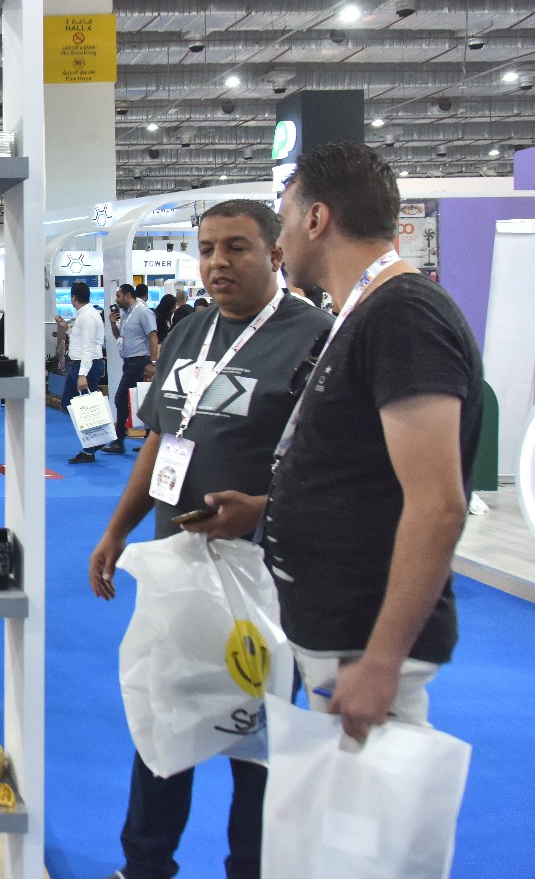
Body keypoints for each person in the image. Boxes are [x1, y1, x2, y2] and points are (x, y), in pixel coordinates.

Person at [86, 200, 333, 879]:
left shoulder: (315, 339)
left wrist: (263, 509)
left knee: (259, 737)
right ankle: (145, 864)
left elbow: (340, 469)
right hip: (181, 569)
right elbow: (162, 439)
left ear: (276, 253)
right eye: (206, 249)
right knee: (166, 718)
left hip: (266, 578)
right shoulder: (191, 329)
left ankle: (253, 867)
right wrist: (117, 529)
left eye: (236, 247)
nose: (217, 262)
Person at [265, 141, 482, 740]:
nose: (280, 242)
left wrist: (383, 659)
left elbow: (438, 505)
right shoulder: (367, 312)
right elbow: (361, 473)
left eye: (284, 220)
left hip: (363, 643)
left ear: (317, 218)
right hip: (339, 631)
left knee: (369, 800)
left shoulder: (403, 315)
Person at [102, 283, 159, 456]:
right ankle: (148, 442)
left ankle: (119, 440)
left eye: (119, 296)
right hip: (129, 362)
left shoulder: (143, 312)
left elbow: (153, 337)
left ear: (128, 295)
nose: (116, 300)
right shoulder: (126, 314)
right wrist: (113, 324)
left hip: (140, 362)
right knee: (143, 400)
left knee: (121, 398)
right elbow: (120, 337)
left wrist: (153, 363)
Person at [64, 281, 109, 465]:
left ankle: (91, 447)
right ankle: (96, 440)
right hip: (82, 365)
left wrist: (83, 374)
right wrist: (66, 328)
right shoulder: (84, 314)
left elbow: (88, 347)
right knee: (70, 402)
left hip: (86, 366)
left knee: (87, 407)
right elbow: (80, 340)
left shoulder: (88, 316)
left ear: (73, 297)